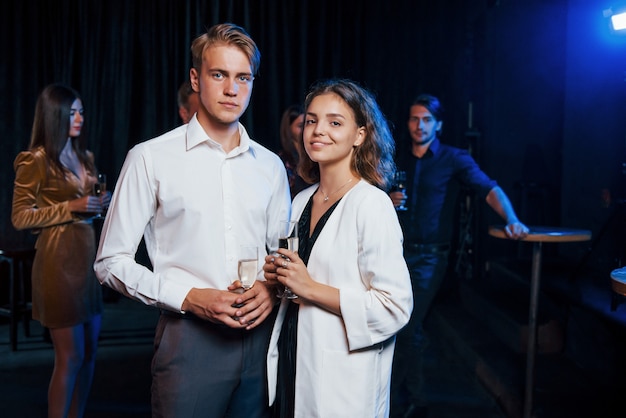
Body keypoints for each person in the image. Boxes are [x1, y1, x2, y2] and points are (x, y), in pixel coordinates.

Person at [94, 23, 291, 418]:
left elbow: (280, 251)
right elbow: (109, 263)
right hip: (189, 340)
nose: (232, 89)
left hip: (261, 339)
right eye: (219, 75)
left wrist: (270, 289)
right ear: (196, 78)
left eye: (243, 78)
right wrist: (190, 298)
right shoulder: (150, 158)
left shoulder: (270, 166)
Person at [263, 79, 414, 418]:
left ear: (360, 135)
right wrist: (278, 277)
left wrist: (310, 288)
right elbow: (296, 286)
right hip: (293, 363)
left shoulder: (371, 204)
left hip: (342, 382)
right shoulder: (301, 200)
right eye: (312, 120)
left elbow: (395, 307)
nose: (318, 130)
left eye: (335, 122)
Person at [389, 93, 529, 418]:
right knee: (405, 328)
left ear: (438, 124)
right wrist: (387, 199)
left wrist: (512, 219)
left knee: (407, 327)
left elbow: (488, 189)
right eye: (414, 118)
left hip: (430, 259)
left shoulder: (453, 158)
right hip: (394, 255)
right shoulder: (397, 160)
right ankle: (418, 400)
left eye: (426, 119)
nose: (419, 125)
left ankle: (388, 402)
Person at [11, 83, 111, 418]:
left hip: (86, 263)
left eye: (81, 111)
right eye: (72, 112)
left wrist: (96, 206)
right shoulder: (35, 160)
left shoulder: (84, 156)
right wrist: (73, 205)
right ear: (54, 116)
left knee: (90, 353)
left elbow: (87, 207)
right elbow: (20, 217)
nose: (80, 118)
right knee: (69, 357)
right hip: (57, 264)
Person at [278, 104, 308, 198]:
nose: (305, 130)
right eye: (300, 126)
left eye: (307, 124)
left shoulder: (313, 155)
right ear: (289, 129)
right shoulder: (282, 160)